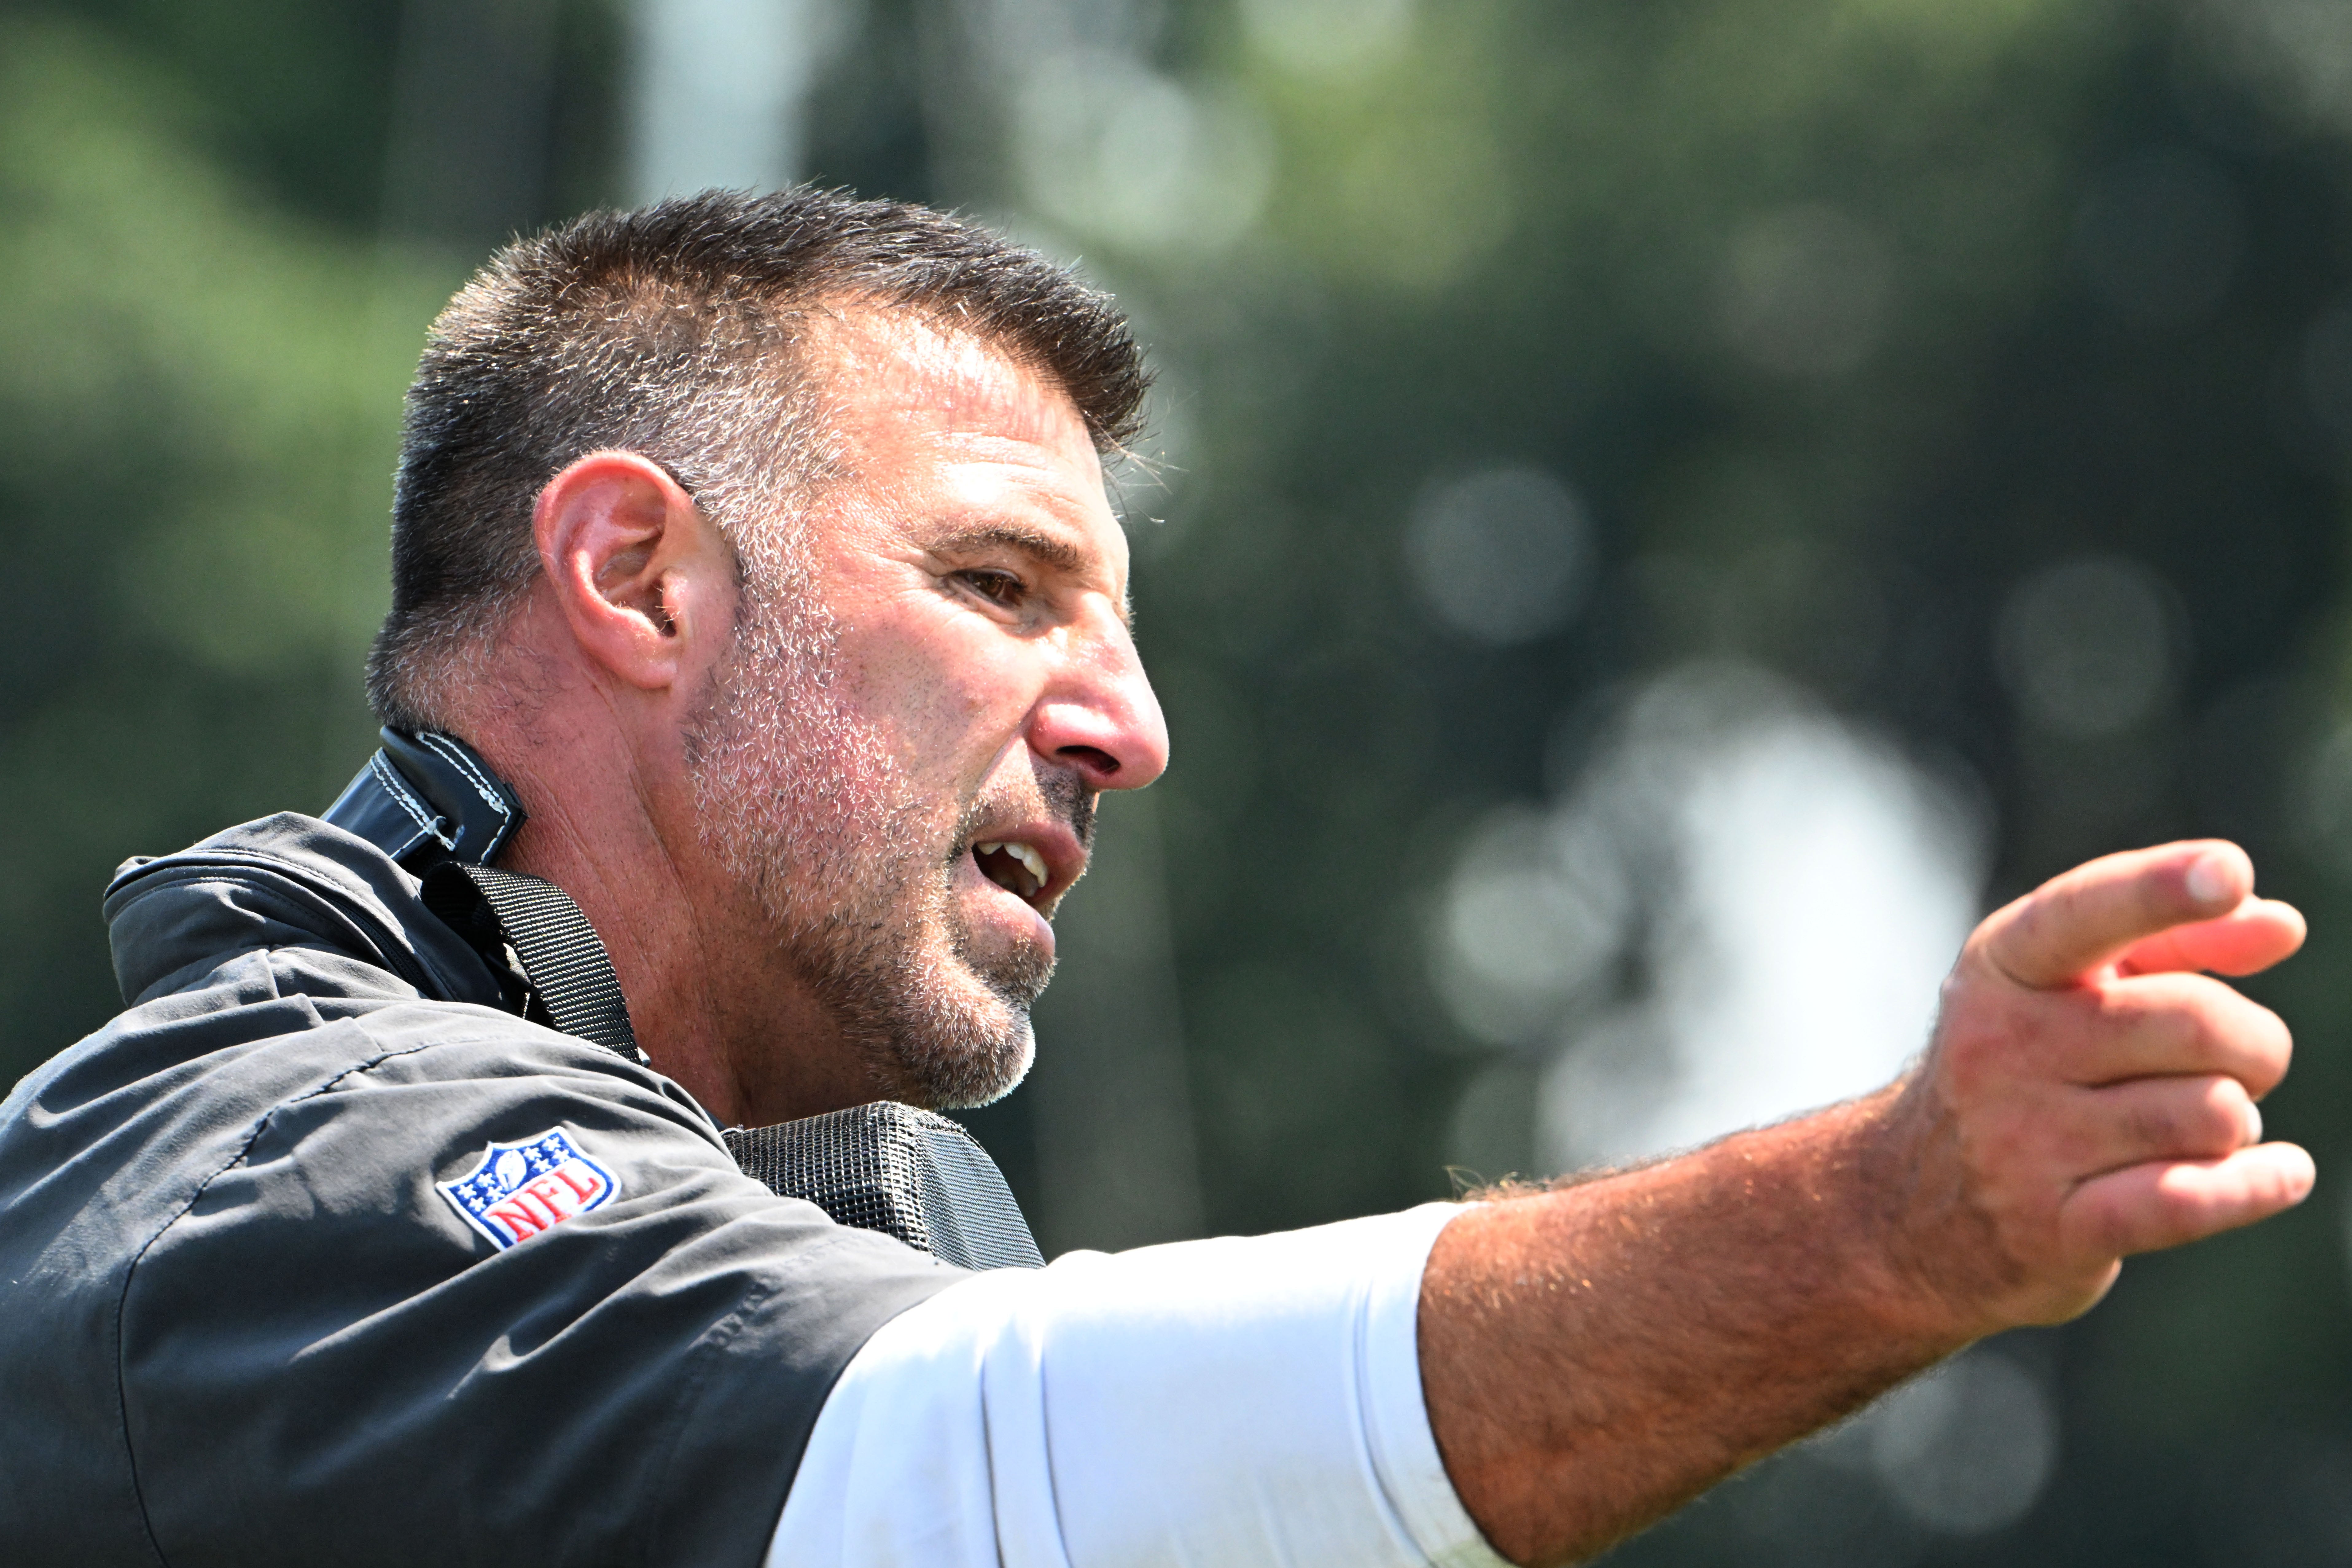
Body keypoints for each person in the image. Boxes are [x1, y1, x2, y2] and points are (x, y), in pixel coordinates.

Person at [0, 188, 2311, 1568]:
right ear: (635, 575)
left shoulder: (881, 1207)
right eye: (1002, 585)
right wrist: (1877, 1228)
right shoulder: (278, 1177)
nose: (1130, 724)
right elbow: (961, 1461)